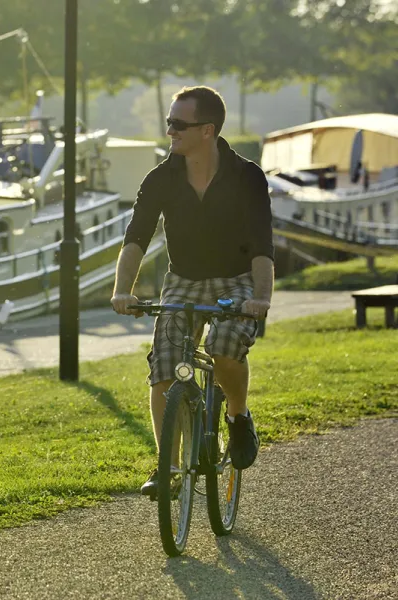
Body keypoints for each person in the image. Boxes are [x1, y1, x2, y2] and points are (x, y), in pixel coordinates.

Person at [111, 86, 274, 500]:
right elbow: (136, 238)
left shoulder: (246, 175)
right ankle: (167, 468)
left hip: (235, 279)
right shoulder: (161, 178)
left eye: (178, 125)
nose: (170, 132)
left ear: (207, 130)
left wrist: (260, 298)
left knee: (224, 347)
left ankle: (238, 416)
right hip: (182, 280)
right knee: (164, 365)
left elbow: (261, 245)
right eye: (168, 123)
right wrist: (122, 291)